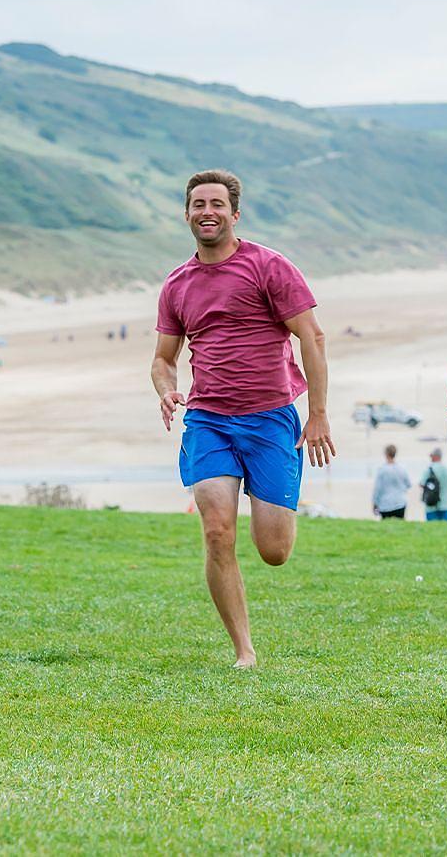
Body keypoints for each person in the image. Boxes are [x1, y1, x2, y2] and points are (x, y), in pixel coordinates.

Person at [151, 169, 336, 670]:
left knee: (274, 550)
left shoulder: (269, 267)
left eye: (216, 204)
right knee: (217, 532)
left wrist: (317, 415)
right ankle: (244, 651)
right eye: (197, 204)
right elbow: (164, 358)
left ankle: (266, 496)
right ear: (186, 213)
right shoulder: (177, 284)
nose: (206, 212)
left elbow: (312, 338)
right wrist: (168, 391)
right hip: (208, 420)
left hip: (272, 418)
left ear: (235, 213)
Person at [372, 444, 410, 519]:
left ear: (386, 454)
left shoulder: (382, 470)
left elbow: (377, 489)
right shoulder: (402, 469)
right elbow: (408, 484)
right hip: (400, 502)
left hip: (385, 504)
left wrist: (375, 503)